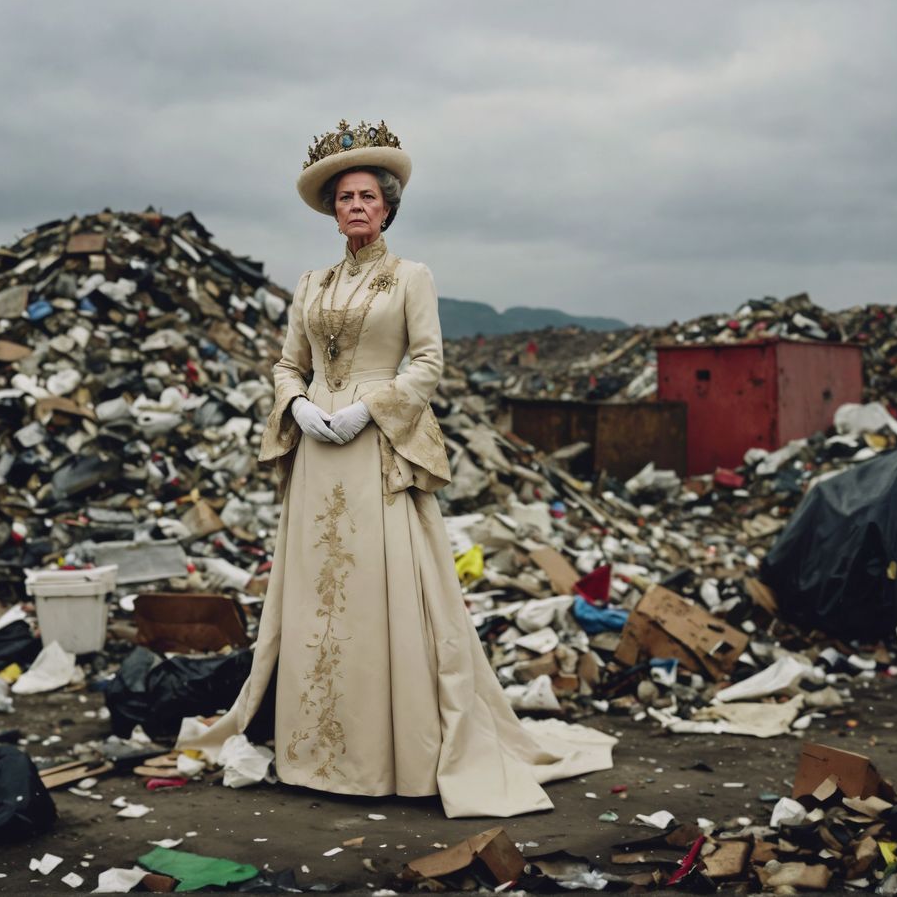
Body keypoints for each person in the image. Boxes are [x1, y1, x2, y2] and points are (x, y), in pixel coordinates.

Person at [177, 119, 615, 818]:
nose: (355, 206)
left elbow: (430, 363)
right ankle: (311, 751)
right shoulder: (310, 283)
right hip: (318, 450)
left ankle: (390, 756)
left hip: (373, 448)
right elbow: (287, 363)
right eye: (345, 196)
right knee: (316, 592)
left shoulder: (412, 277)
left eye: (367, 197)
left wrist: (370, 408)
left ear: (386, 208)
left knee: (378, 594)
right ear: (333, 209)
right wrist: (297, 405)